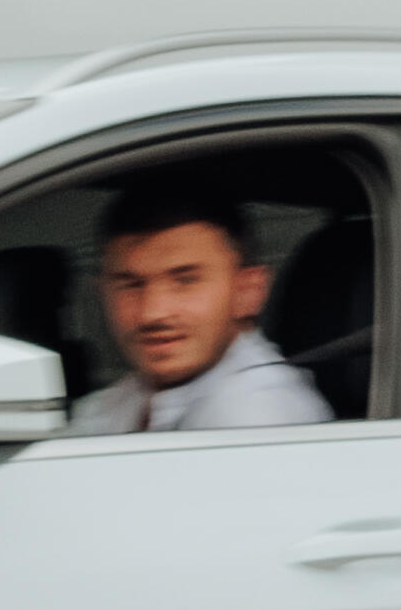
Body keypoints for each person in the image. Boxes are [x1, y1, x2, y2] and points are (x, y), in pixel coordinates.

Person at [69, 168, 330, 437]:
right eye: (131, 284)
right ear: (102, 293)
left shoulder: (256, 415)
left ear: (247, 291)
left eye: (185, 280)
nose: (152, 313)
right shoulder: (123, 399)